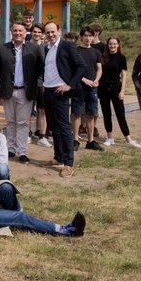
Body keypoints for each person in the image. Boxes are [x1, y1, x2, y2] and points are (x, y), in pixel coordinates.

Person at [0, 22, 44, 164]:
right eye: (15, 31)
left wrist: (32, 82)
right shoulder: (3, 49)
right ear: (11, 32)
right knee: (10, 121)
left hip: (25, 91)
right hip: (8, 91)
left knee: (22, 122)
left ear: (25, 32)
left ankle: (22, 151)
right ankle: (11, 149)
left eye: (20, 31)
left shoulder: (34, 49)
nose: (18, 33)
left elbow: (39, 68)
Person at [41, 22, 87, 178]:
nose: (50, 34)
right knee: (54, 127)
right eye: (47, 32)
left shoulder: (68, 46)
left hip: (60, 92)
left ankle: (68, 163)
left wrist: (70, 85)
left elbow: (81, 66)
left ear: (59, 31)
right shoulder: (47, 48)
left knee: (64, 128)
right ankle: (58, 157)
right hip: (47, 91)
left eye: (53, 31)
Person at [99, 37, 141, 148]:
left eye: (114, 44)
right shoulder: (103, 57)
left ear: (118, 45)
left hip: (116, 86)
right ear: (107, 45)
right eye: (110, 44)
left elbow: (124, 75)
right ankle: (109, 137)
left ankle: (128, 139)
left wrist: (122, 91)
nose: (112, 46)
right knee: (106, 112)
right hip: (103, 87)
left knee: (120, 113)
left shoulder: (121, 57)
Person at [72, 26, 104, 151]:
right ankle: (75, 140)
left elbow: (99, 68)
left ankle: (91, 140)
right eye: (85, 36)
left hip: (92, 87)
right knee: (76, 113)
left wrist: (96, 80)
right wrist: (84, 80)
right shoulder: (76, 50)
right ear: (81, 37)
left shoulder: (96, 52)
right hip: (79, 86)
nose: (88, 38)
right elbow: (73, 69)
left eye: (90, 36)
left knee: (91, 113)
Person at [29, 24, 51, 148]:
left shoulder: (46, 48)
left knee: (42, 110)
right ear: (31, 32)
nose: (36, 34)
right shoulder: (26, 46)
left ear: (42, 34)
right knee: (27, 111)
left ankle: (42, 136)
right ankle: (27, 134)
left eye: (39, 32)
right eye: (34, 32)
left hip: (42, 83)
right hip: (29, 84)